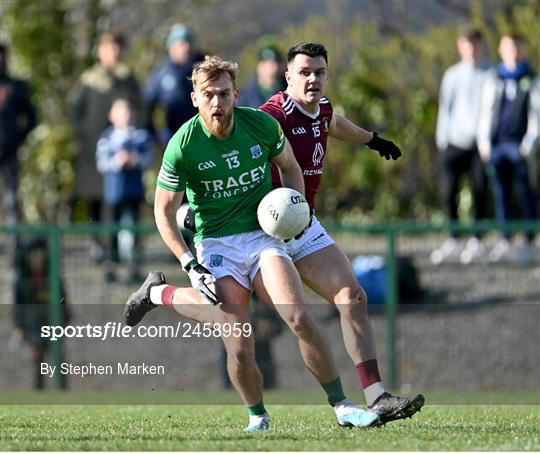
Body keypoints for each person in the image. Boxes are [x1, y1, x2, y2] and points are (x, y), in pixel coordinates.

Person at [125, 55, 380, 431]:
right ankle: (257, 415)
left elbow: (291, 166)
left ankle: (342, 405)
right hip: (216, 246)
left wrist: (298, 209)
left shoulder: (259, 124)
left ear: (236, 95)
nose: (217, 103)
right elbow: (163, 212)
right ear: (194, 98)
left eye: (224, 94)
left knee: (298, 317)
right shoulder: (183, 145)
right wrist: (189, 263)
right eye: (208, 95)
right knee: (239, 342)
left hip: (263, 239)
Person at [255, 42, 424, 423]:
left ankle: (376, 395)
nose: (312, 79)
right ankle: (266, 411)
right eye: (304, 72)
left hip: (304, 225)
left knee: (352, 296)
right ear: (288, 77)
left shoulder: (323, 107)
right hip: (262, 235)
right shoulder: (272, 115)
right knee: (281, 320)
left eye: (319, 72)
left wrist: (371, 139)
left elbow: (332, 123)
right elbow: (240, 142)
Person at [70, 32, 143, 260]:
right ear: (100, 51)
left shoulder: (128, 78)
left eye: (116, 47)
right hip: (93, 151)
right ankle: (97, 245)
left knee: (122, 202)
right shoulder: (89, 79)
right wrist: (85, 136)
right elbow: (75, 111)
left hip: (124, 153)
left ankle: (121, 251)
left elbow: (141, 108)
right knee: (94, 200)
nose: (113, 52)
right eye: (108, 47)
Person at [432, 27, 492, 265]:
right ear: (460, 46)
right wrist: (442, 140)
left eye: (476, 44)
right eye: (468, 45)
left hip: (481, 145)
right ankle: (454, 238)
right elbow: (445, 108)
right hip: (454, 143)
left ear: (482, 45)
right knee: (449, 192)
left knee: (479, 191)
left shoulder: (492, 73)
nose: (472, 50)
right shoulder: (452, 75)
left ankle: (477, 240)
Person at [477, 34, 539, 265]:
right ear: (501, 50)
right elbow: (486, 112)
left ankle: (529, 241)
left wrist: (529, 145)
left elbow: (536, 115)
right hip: (498, 145)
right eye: (508, 47)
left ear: (522, 49)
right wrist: (484, 143)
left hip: (521, 147)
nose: (513, 52)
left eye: (516, 47)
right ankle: (505, 239)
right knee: (501, 193)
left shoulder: (531, 78)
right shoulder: (495, 77)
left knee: (526, 192)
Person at [96, 98, 153, 283]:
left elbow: (149, 158)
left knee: (135, 230)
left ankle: (135, 267)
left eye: (127, 111)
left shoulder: (141, 136)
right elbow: (102, 163)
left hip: (135, 190)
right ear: (111, 116)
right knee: (111, 230)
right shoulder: (107, 137)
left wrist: (135, 160)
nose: (125, 116)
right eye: (120, 112)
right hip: (114, 192)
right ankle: (110, 266)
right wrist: (117, 162)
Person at [12, 237, 70, 390]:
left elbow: (63, 303)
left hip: (53, 323)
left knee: (58, 360)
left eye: (40, 254)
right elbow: (18, 307)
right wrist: (19, 327)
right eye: (33, 254)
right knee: (38, 360)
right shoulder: (22, 281)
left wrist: (64, 322)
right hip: (33, 327)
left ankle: (63, 392)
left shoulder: (53, 276)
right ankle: (38, 394)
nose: (37, 258)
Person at [0, 43, 37, 263]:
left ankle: (14, 247)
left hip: (10, 154)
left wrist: (17, 139)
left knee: (12, 201)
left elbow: (32, 117)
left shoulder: (16, 87)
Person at [144, 24, 204, 146]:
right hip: (176, 138)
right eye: (181, 44)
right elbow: (147, 107)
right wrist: (155, 135)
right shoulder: (161, 75)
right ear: (171, 46)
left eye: (188, 43)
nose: (186, 48)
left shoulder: (204, 68)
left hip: (204, 136)